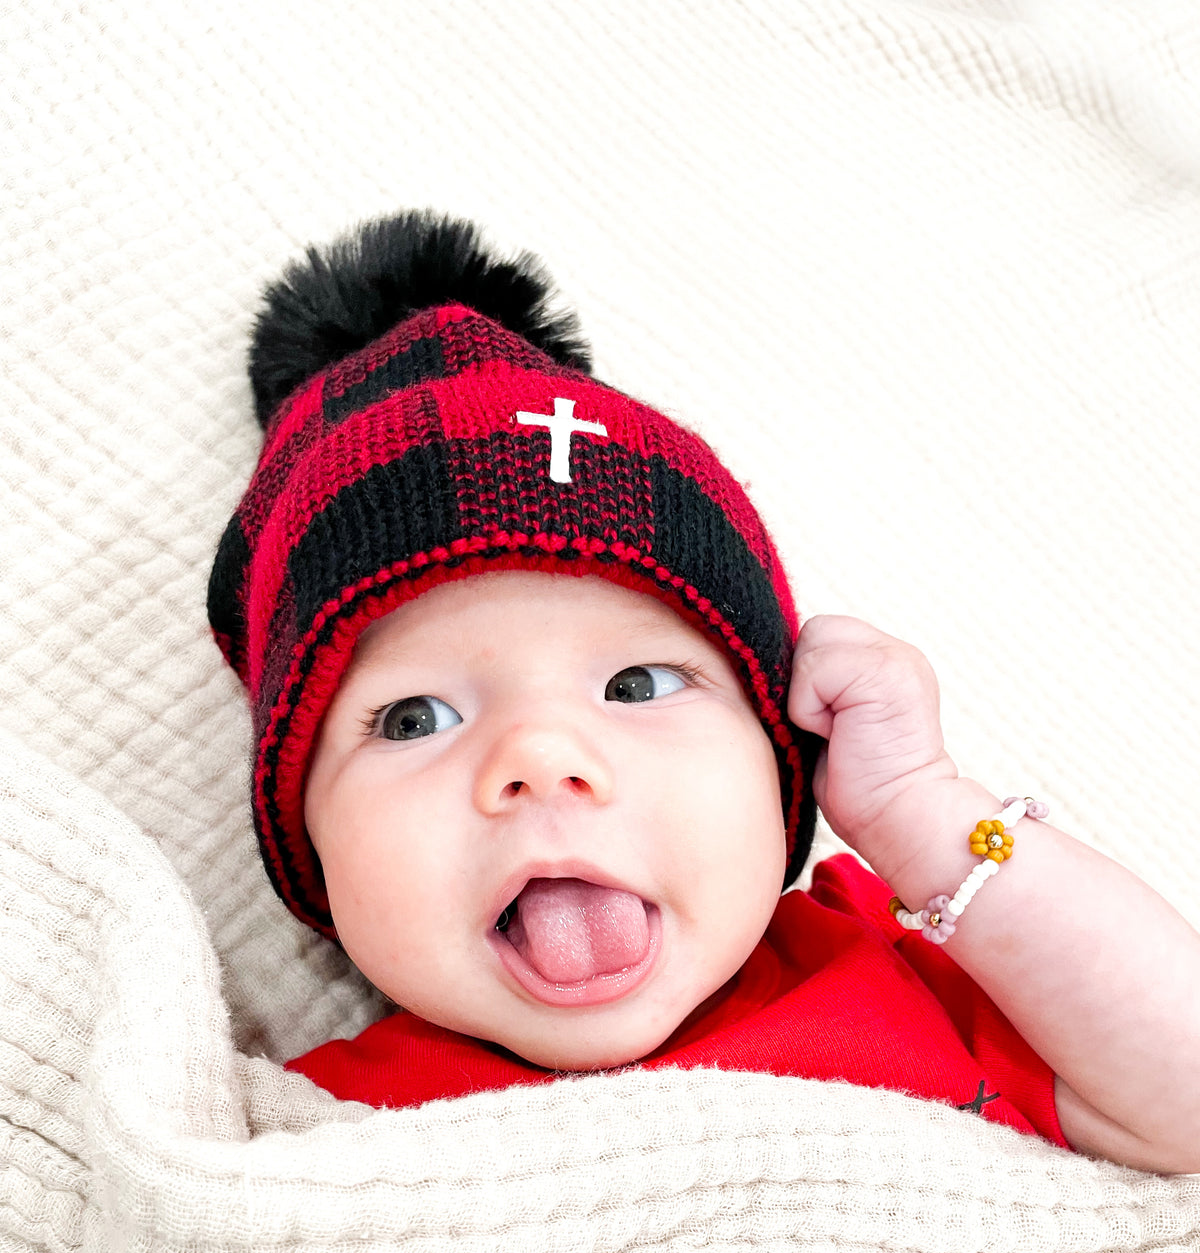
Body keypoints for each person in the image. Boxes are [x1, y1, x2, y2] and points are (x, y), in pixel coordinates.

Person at [209, 209, 1200, 1174]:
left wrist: (923, 813)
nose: (542, 757)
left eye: (636, 684)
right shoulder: (327, 1142)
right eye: (414, 719)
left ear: (781, 756)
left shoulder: (898, 974)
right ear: (307, 845)